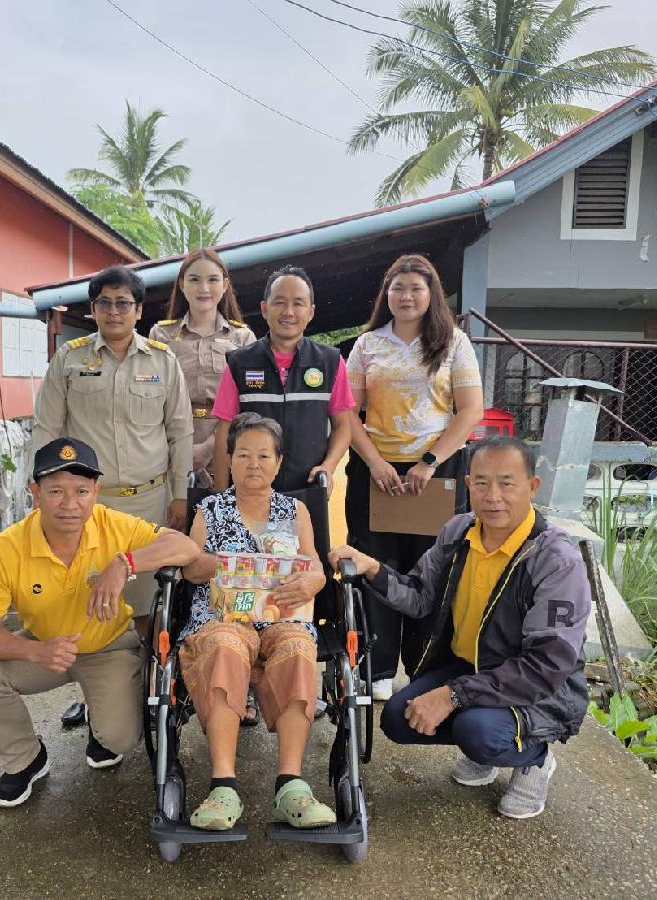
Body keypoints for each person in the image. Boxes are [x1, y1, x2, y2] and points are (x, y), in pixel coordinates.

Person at [329, 436, 591, 820]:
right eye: (481, 483)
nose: (493, 496)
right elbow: (419, 596)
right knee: (397, 719)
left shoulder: (555, 559)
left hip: (539, 689)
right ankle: (485, 741)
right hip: (470, 666)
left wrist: (452, 695)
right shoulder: (458, 532)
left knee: (478, 732)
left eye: (507, 483)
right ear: (468, 485)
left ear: (532, 487)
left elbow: (546, 667)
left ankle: (534, 757)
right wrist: (372, 568)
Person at [0, 437, 199, 807]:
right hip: (46, 648)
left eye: (81, 491)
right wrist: (37, 651)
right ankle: (25, 760)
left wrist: (124, 563)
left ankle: (97, 715)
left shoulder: (111, 524)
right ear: (35, 493)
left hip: (108, 646)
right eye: (56, 491)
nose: (70, 503)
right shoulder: (5, 550)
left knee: (120, 739)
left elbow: (186, 547)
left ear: (95, 493)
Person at [33, 264, 194, 728]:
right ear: (93, 309)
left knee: (143, 604)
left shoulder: (162, 361)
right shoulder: (69, 359)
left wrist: (180, 494)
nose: (114, 311)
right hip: (87, 506)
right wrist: (42, 490)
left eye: (124, 303)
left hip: (148, 500)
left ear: (139, 310)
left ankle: (146, 689)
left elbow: (180, 432)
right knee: (84, 601)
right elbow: (47, 427)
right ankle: (91, 698)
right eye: (104, 302)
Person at [179, 413, 335, 831]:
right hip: (223, 615)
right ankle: (223, 787)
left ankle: (291, 785)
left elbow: (315, 566)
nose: (253, 463)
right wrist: (228, 565)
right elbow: (190, 569)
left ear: (278, 463)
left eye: (264, 455)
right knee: (225, 646)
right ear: (229, 460)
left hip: (281, 614)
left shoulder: (295, 510)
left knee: (298, 648)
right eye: (243, 454)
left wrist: (312, 581)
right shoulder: (210, 509)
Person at [344, 254, 485, 701]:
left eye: (416, 288)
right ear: (386, 294)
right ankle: (378, 668)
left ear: (431, 294)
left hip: (435, 473)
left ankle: (424, 668)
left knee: (432, 568)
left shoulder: (453, 343)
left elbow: (470, 411)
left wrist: (429, 461)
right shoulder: (368, 344)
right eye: (398, 287)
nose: (406, 296)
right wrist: (374, 463)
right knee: (377, 564)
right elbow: (347, 411)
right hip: (377, 473)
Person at [210, 265, 353, 497]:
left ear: (311, 312)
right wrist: (221, 495)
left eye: (298, 303)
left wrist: (328, 466)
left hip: (308, 491)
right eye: (279, 302)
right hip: (250, 493)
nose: (288, 312)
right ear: (264, 309)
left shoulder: (331, 362)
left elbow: (343, 426)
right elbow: (223, 431)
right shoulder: (239, 363)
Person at [150, 248, 256, 487]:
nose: (204, 288)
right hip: (171, 448)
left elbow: (248, 401)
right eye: (195, 279)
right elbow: (152, 399)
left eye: (213, 280)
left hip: (227, 446)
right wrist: (181, 448)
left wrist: (211, 446)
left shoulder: (242, 338)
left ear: (225, 285)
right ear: (182, 284)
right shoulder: (161, 335)